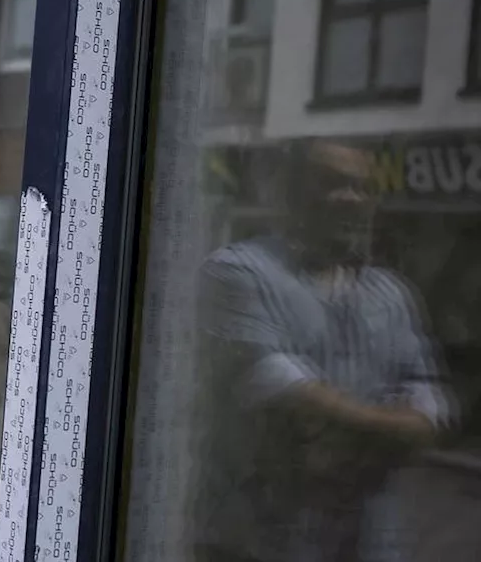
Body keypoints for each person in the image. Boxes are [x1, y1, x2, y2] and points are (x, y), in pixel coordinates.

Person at [191, 139, 451, 562]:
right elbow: (280, 391)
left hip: (368, 542)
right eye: (332, 184)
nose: (351, 199)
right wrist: (398, 429)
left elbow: (426, 394)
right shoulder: (238, 272)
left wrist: (381, 427)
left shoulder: (391, 294)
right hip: (254, 544)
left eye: (364, 188)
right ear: (291, 194)